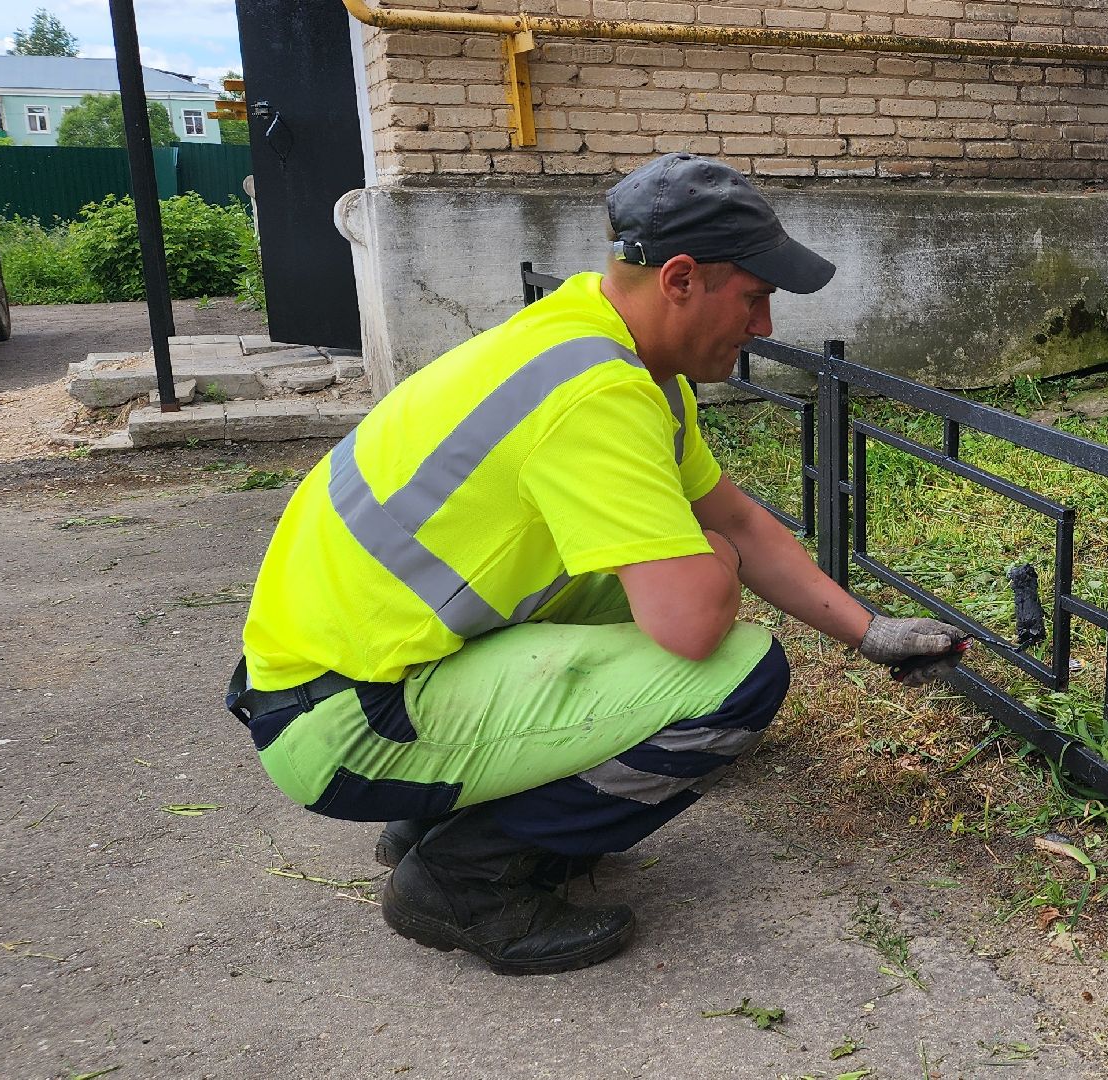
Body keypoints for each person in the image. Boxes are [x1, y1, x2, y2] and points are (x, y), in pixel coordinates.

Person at [225, 154, 969, 976]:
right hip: (342, 724)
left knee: (623, 587)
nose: (762, 326)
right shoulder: (594, 393)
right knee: (737, 675)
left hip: (351, 674)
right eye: (755, 298)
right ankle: (464, 880)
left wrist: (870, 633)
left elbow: (735, 520)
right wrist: (710, 558)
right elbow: (690, 619)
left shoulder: (607, 348)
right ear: (680, 278)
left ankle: (434, 820)